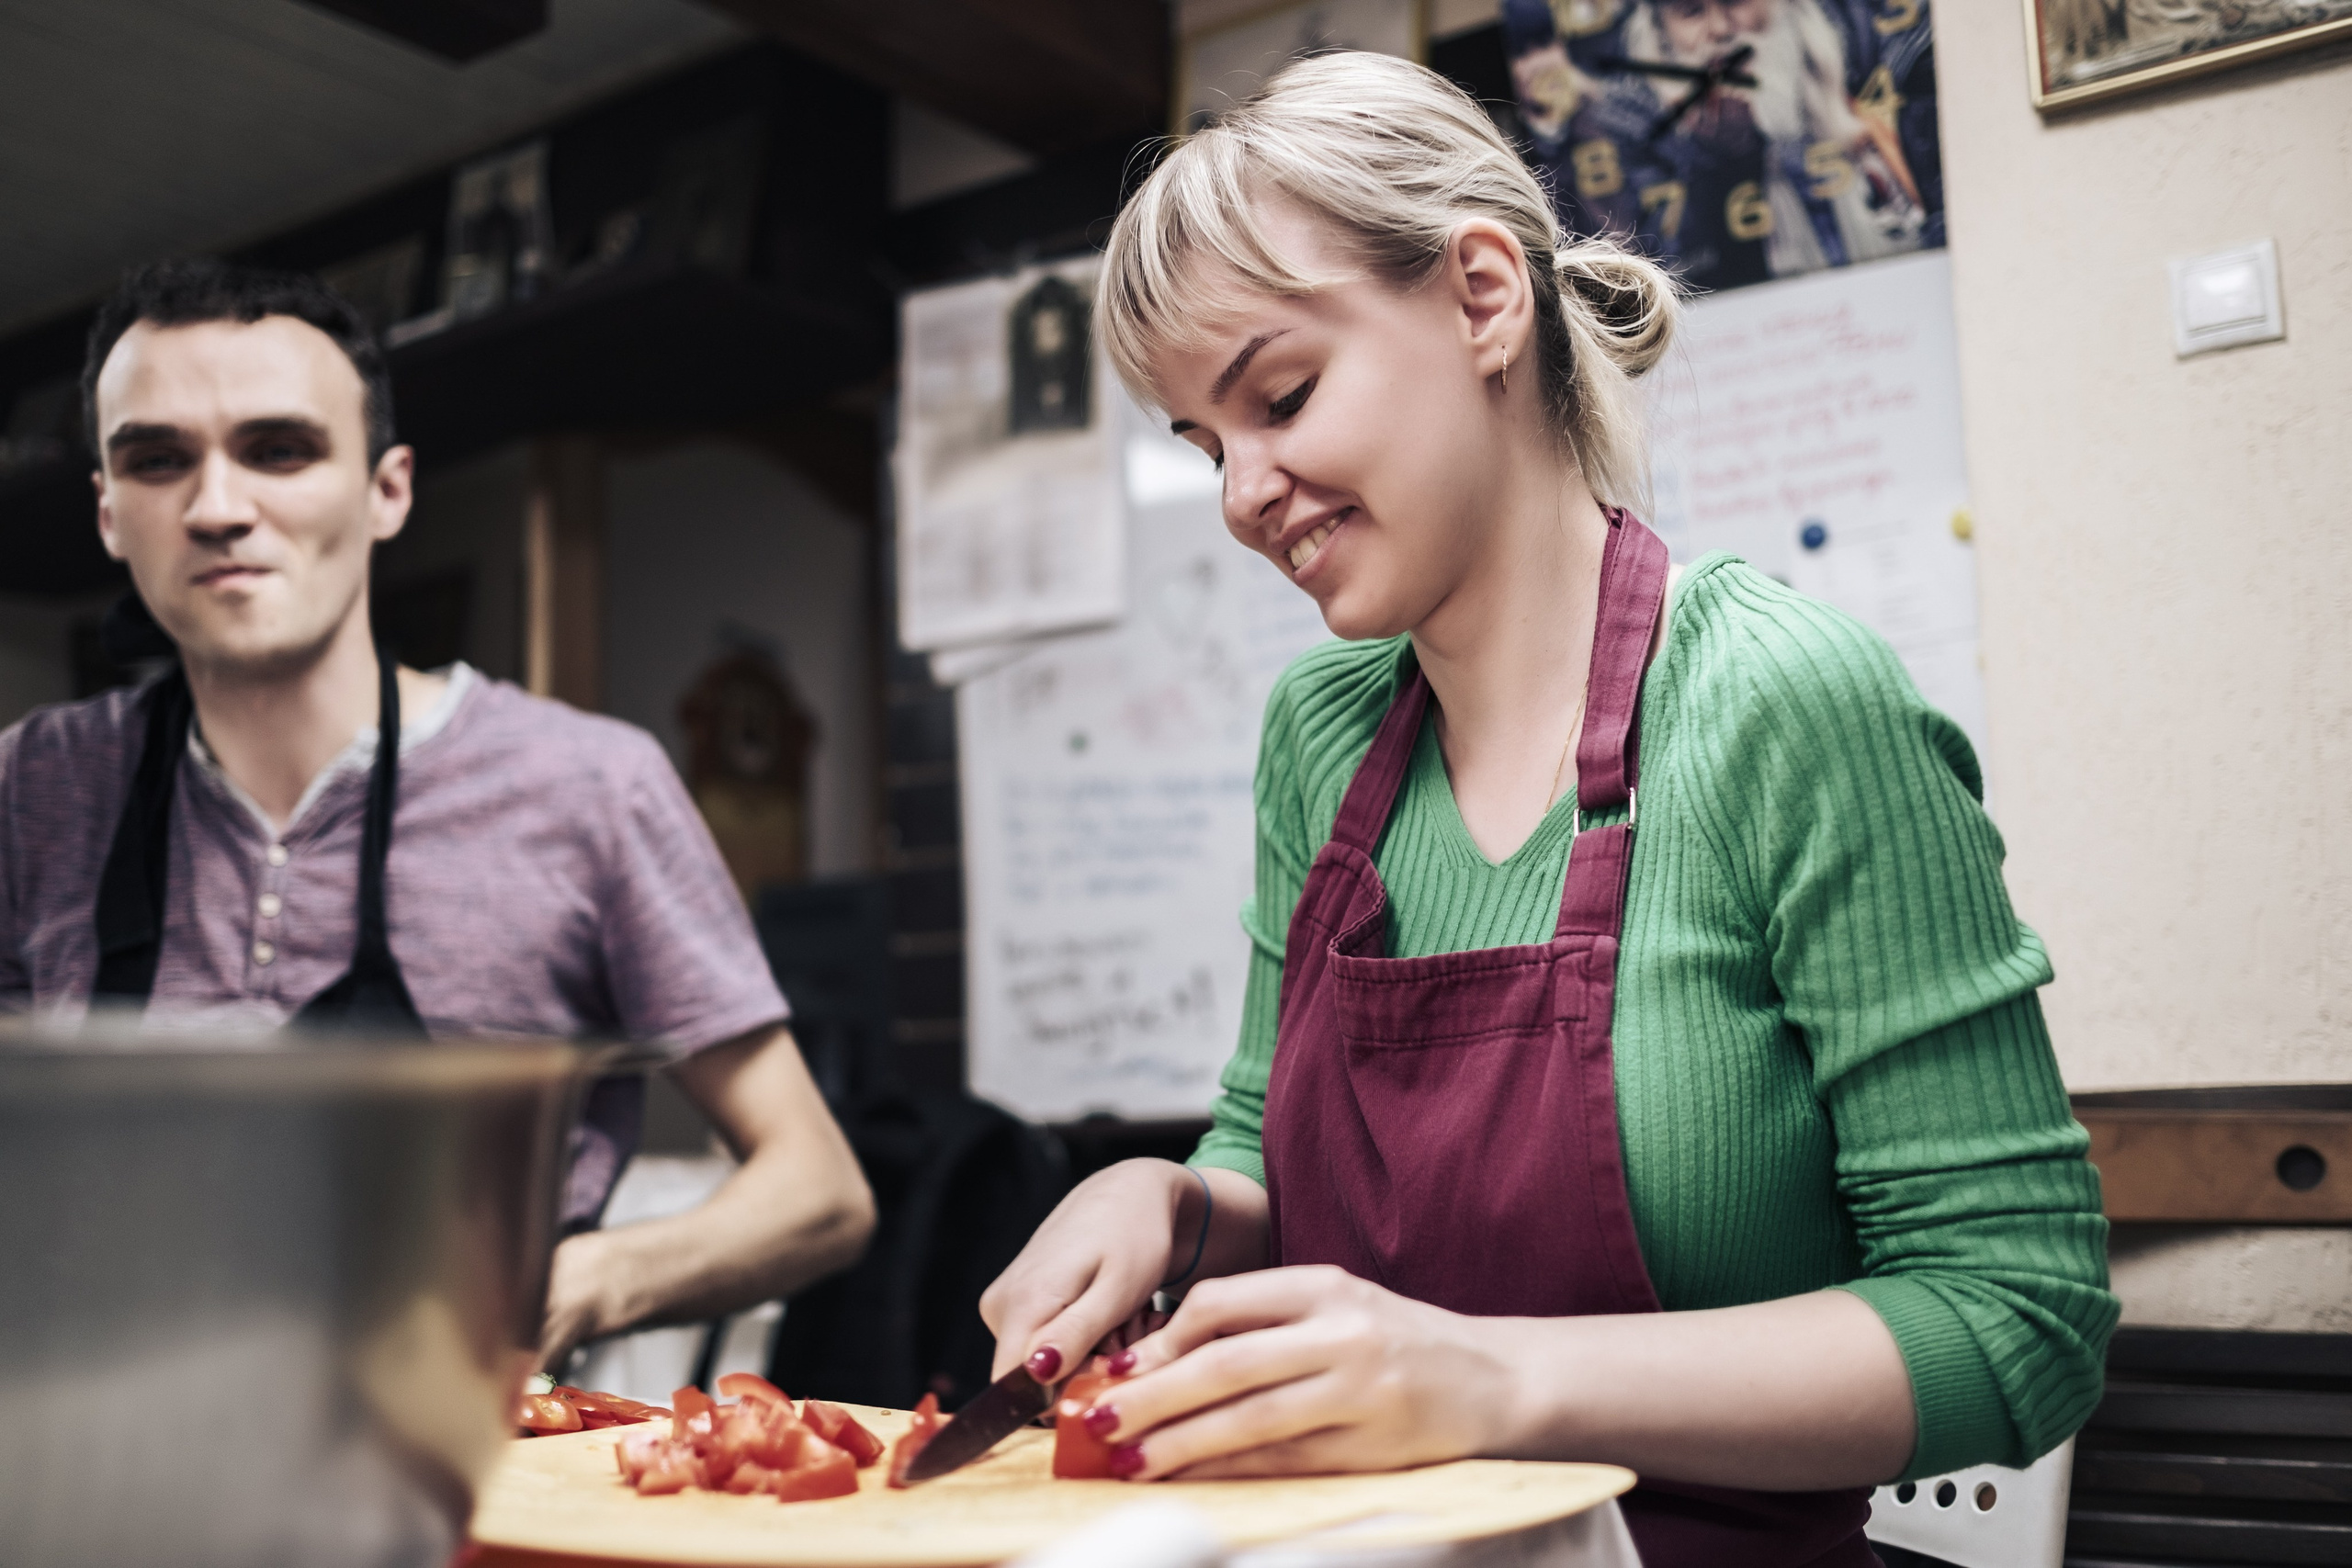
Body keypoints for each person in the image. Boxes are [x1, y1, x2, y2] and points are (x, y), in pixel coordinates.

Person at [979, 54, 2113, 1566]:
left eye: (1281, 397)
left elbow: (2019, 1314)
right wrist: (1174, 1199)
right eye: (1205, 443)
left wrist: (1492, 1378)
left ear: (1483, 298)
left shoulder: (1781, 703)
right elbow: (1261, 1142)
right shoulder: (1321, 737)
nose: (1244, 491)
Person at [0, 260, 875, 1369]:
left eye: (279, 450)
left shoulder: (589, 786)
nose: (217, 508)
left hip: (449, 1445)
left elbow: (817, 1188)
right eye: (158, 461)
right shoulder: (36, 787)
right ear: (109, 513)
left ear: (388, 490)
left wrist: (574, 1284)